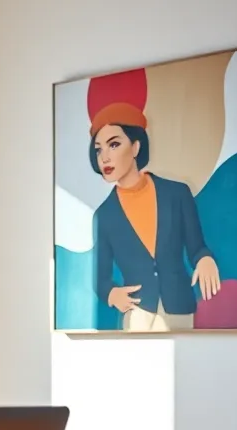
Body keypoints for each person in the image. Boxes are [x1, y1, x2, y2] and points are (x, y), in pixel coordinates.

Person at [89, 101, 221, 332]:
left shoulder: (177, 193)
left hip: (179, 306)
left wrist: (205, 259)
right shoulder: (104, 215)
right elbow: (100, 278)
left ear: (136, 147)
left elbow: (197, 247)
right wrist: (111, 294)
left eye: (114, 145)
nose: (105, 157)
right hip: (138, 312)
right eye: (99, 149)